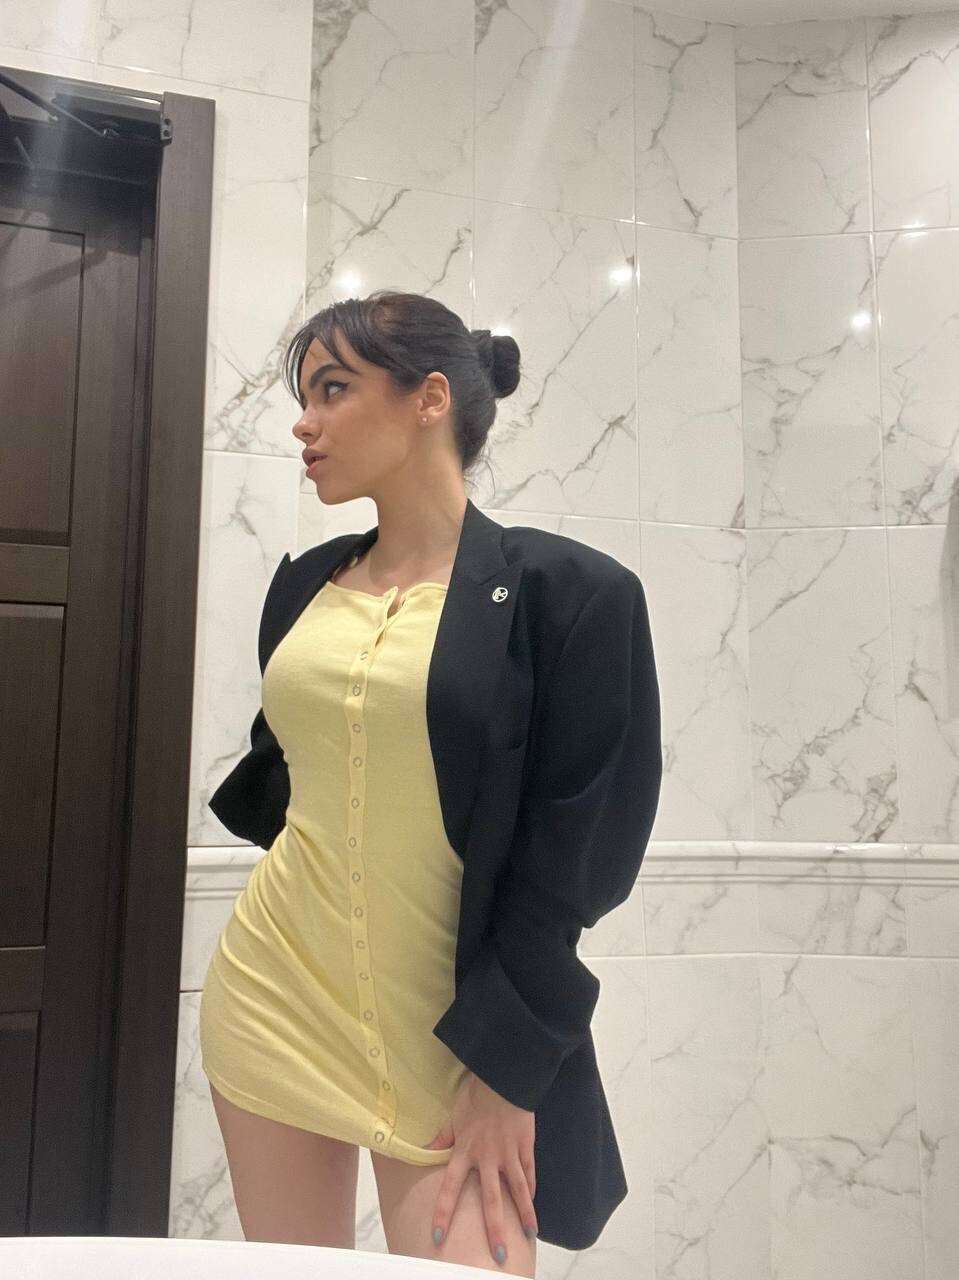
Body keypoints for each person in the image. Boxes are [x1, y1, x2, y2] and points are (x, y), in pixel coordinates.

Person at [200, 290, 662, 1274]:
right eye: (302, 396)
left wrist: (505, 1065)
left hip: (459, 1045)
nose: (303, 422)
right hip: (273, 1000)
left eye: (332, 390)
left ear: (429, 398)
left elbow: (576, 853)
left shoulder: (570, 594)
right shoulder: (305, 583)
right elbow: (297, 772)